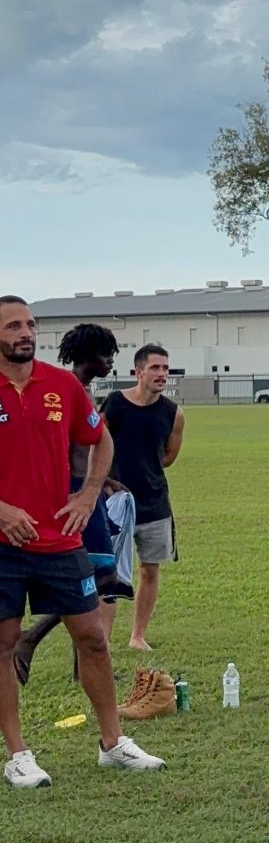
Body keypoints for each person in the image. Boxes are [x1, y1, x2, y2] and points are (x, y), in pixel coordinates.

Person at [0, 295, 164, 788]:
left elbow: (100, 440)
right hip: (2, 542)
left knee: (92, 636)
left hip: (59, 538)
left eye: (29, 324)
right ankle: (18, 754)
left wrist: (90, 493)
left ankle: (112, 743)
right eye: (13, 326)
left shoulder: (62, 385)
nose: (25, 333)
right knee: (4, 643)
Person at [13, 323, 135, 685]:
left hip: (87, 488)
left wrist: (105, 481)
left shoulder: (79, 389)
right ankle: (30, 638)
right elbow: (60, 451)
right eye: (105, 354)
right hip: (75, 494)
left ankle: (81, 666)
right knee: (102, 576)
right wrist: (83, 491)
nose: (111, 361)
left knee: (94, 577)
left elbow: (92, 444)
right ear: (86, 356)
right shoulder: (64, 390)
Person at [100, 344, 185, 650]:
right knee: (108, 573)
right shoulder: (115, 404)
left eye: (165, 368)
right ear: (138, 372)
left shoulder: (173, 414)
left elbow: (169, 456)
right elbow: (95, 441)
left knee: (150, 570)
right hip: (114, 503)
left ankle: (137, 636)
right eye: (155, 368)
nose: (162, 374)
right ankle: (103, 639)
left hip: (154, 503)